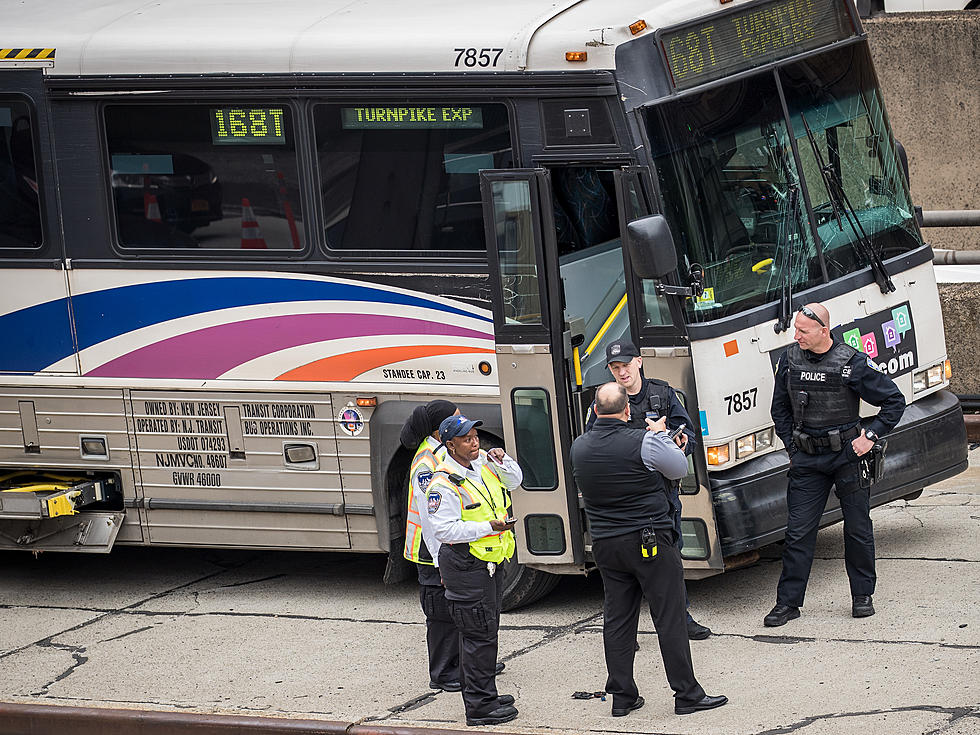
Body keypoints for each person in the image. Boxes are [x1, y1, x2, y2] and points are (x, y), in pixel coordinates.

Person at [571, 383, 727, 717]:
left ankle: (622, 697)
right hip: (649, 540)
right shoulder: (644, 441)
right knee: (669, 616)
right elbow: (678, 468)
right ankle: (687, 694)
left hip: (605, 544)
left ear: (595, 412)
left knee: (617, 619)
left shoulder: (579, 447)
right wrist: (662, 434)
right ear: (627, 411)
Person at [765, 302, 906, 627]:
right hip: (807, 459)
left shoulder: (851, 362)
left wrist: (870, 435)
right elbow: (780, 409)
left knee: (857, 528)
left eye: (802, 330)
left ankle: (862, 596)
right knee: (798, 533)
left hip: (847, 456)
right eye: (796, 329)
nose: (795, 335)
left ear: (823, 331)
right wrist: (792, 448)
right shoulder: (790, 359)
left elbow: (893, 401)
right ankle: (788, 604)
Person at [586, 339, 711, 640]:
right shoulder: (604, 400)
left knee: (669, 558)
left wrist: (676, 441)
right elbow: (593, 443)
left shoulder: (663, 393)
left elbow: (689, 437)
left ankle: (681, 618)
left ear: (638, 362)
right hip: (624, 495)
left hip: (661, 493)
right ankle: (626, 631)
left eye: (625, 365)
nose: (621, 372)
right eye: (615, 368)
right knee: (624, 572)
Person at [427, 414, 523, 727]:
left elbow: (515, 481)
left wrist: (503, 459)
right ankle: (480, 708)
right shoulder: (442, 483)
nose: (475, 442)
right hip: (466, 566)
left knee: (486, 632)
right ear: (450, 445)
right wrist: (488, 527)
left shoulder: (482, 463)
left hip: (488, 565)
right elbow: (445, 531)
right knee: (477, 636)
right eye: (466, 439)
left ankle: (486, 694)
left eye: (475, 436)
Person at [400, 399, 461, 692]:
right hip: (430, 551)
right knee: (440, 614)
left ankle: (461, 662)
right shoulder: (426, 463)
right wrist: (440, 562)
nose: (463, 424)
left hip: (444, 548)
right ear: (439, 432)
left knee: (456, 608)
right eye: (456, 420)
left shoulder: (444, 453)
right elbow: (429, 518)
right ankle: (443, 672)